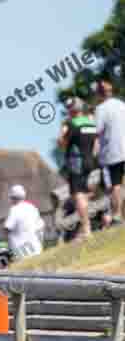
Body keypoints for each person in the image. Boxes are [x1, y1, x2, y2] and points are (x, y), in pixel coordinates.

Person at [58, 97, 98, 240]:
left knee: (78, 194)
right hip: (90, 161)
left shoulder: (71, 124)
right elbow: (96, 145)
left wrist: (62, 130)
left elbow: (62, 143)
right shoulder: (91, 123)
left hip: (76, 163)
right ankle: (84, 227)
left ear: (71, 110)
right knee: (85, 193)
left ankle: (87, 230)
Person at [95, 78, 125, 226]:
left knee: (116, 185)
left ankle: (118, 216)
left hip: (113, 152)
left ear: (100, 94)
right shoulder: (122, 105)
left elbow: (97, 130)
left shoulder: (101, 109)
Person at [3, 185, 44, 261]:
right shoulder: (33, 208)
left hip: (21, 253)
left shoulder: (14, 210)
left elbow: (7, 228)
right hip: (36, 250)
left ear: (13, 198)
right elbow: (40, 226)